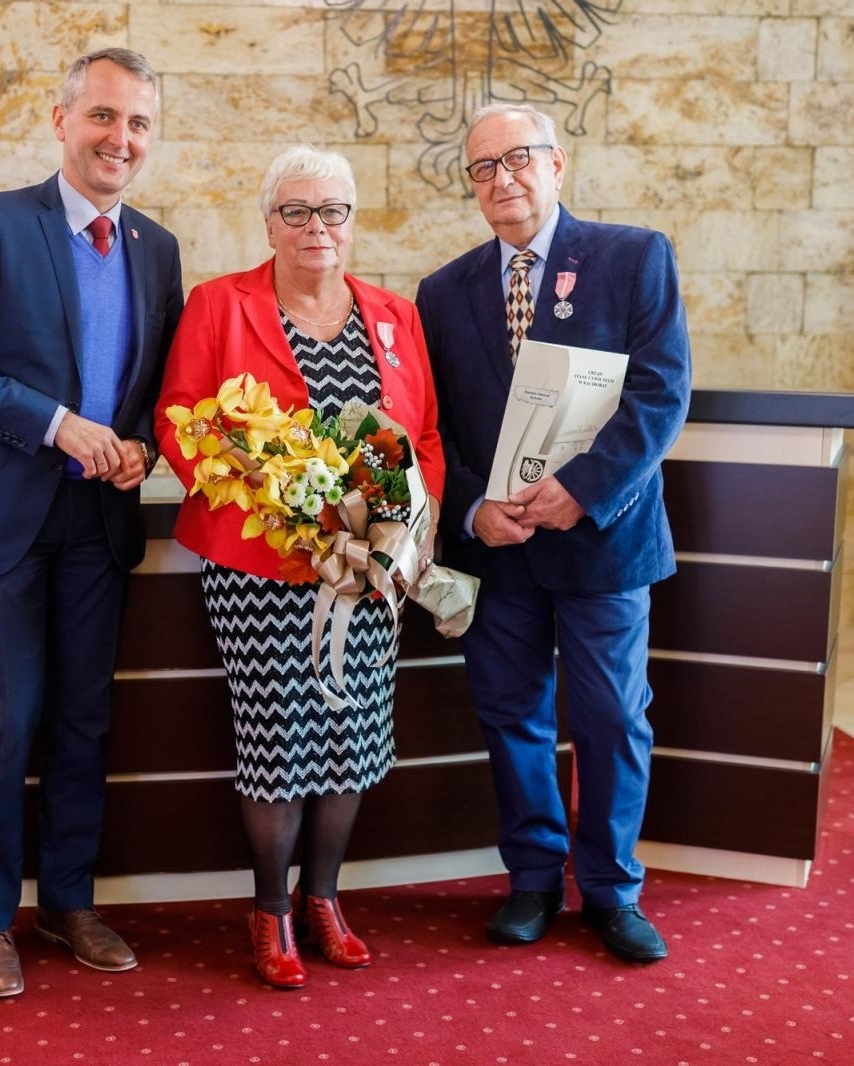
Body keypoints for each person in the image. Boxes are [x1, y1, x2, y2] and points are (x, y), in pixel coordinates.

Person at [0, 47, 183, 998]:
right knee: (4, 720)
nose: (121, 138)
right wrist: (57, 423)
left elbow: (159, 390)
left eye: (138, 123)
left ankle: (69, 904)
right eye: (103, 116)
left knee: (82, 721)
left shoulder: (157, 247)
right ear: (61, 121)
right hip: (1, 518)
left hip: (98, 522)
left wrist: (143, 444)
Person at [154, 145, 444, 990]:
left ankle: (324, 899)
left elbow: (423, 437)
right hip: (261, 566)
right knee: (278, 740)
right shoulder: (220, 305)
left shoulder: (394, 314)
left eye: (332, 211)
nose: (317, 227)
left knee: (353, 736)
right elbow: (180, 418)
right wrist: (272, 502)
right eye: (297, 211)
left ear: (352, 221)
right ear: (269, 223)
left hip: (366, 572)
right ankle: (270, 909)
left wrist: (412, 525)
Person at [414, 103, 691, 963]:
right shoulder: (442, 292)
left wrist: (582, 490)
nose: (502, 179)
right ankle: (532, 879)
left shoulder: (632, 257)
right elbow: (433, 427)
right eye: (483, 167)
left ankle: (611, 889)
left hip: (605, 538)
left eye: (518, 159)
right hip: (498, 549)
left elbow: (661, 393)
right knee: (513, 715)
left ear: (557, 163)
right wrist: (471, 507)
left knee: (611, 718)